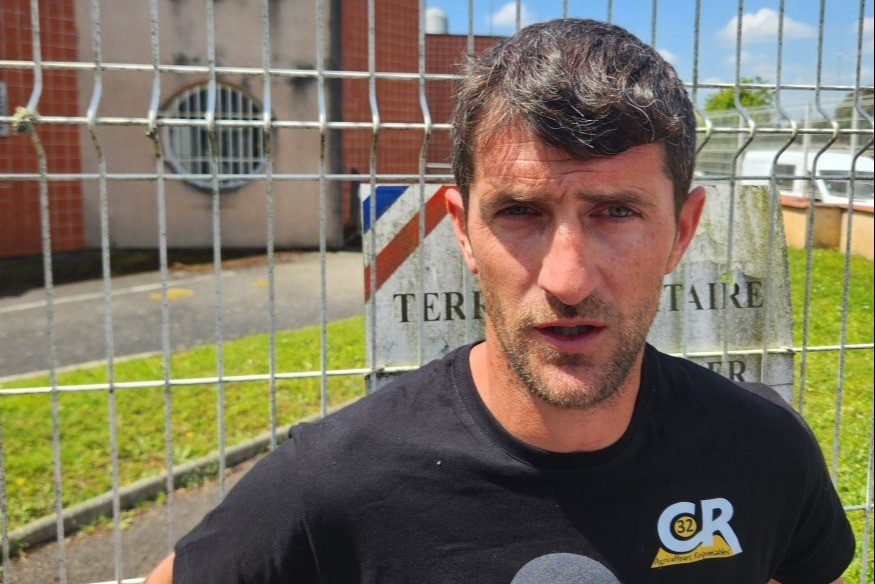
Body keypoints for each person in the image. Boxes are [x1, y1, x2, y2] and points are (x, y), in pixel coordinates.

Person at [147, 18, 854, 583]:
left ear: (682, 231)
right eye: (519, 212)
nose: (567, 280)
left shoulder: (763, 451)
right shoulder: (329, 487)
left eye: (616, 212)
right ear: (461, 230)